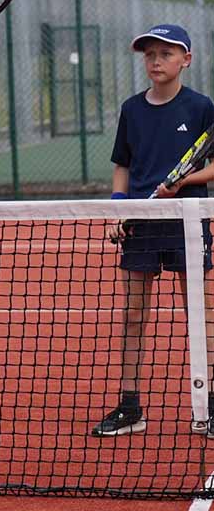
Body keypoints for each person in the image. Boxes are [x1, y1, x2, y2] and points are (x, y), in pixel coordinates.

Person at [93, 23, 214, 438]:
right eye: (149, 54)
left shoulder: (201, 108)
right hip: (140, 222)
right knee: (132, 315)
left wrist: (185, 183)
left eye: (166, 53)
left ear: (186, 60)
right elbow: (122, 165)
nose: (156, 60)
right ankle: (130, 406)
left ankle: (209, 403)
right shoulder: (131, 109)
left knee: (196, 313)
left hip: (188, 219)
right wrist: (117, 208)